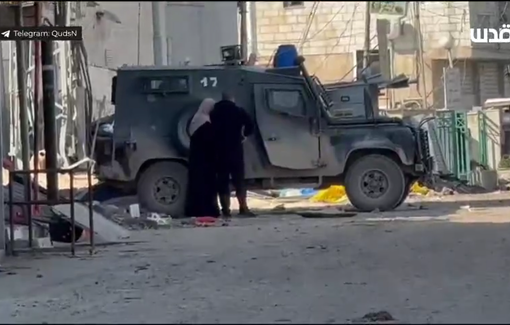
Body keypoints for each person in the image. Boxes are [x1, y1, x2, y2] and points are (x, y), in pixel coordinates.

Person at [210, 92, 255, 217]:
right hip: (235, 149)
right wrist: (244, 135)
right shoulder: (238, 111)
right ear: (232, 99)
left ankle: (225, 210)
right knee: (238, 179)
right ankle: (243, 207)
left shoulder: (214, 113)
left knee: (222, 180)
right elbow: (250, 125)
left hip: (219, 151)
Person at [184, 98, 220, 218]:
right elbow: (209, 142)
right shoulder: (205, 123)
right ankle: (206, 210)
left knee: (196, 185)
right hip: (205, 161)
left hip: (196, 159)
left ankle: (195, 210)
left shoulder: (196, 120)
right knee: (205, 186)